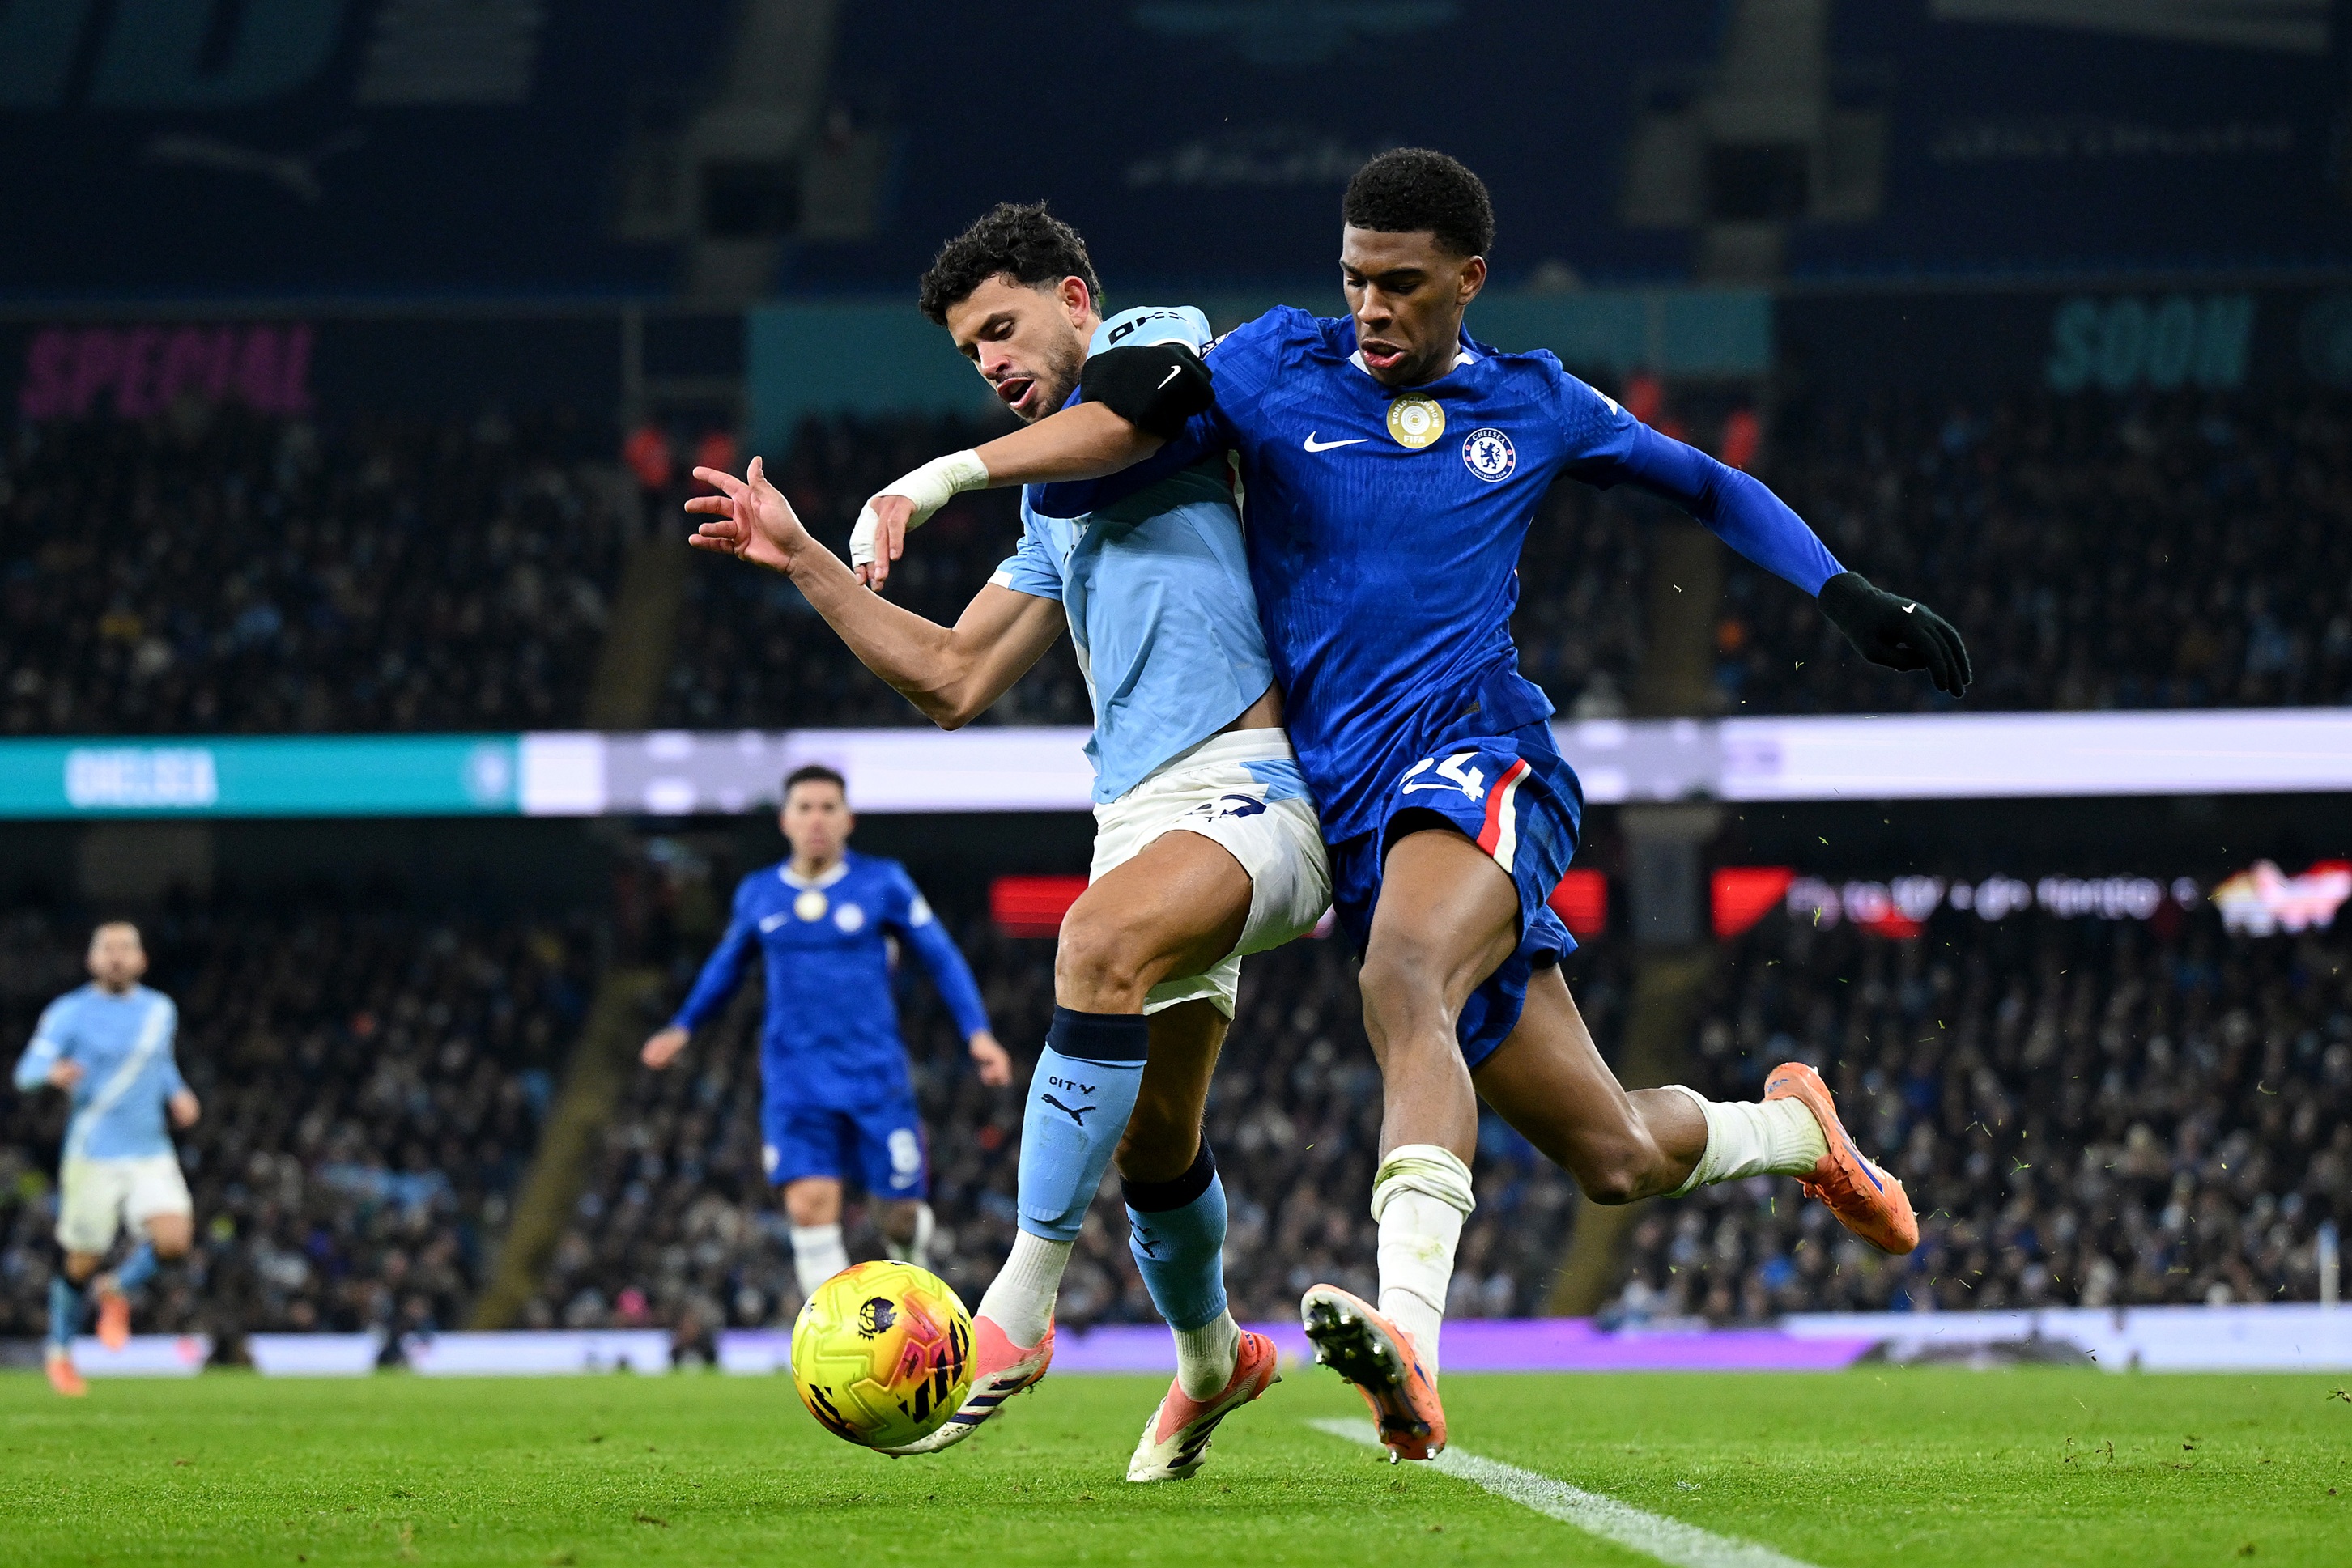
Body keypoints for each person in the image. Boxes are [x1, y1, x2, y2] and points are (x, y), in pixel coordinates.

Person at [840, 150, 1970, 1460]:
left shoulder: (1536, 404)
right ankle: (1793, 1128)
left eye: (1401, 285)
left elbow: (1704, 482)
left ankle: (1414, 1352)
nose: (1371, 307)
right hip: (1358, 813)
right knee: (1612, 1149)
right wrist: (945, 479)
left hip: (1482, 753)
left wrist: (1844, 592)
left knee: (1405, 975)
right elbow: (1124, 435)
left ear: (1467, 281)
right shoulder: (1277, 367)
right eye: (1354, 277)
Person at [684, 202, 1329, 1481]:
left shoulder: (1158, 352)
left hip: (1262, 785)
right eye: (967, 350)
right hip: (1139, 815)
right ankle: (1214, 1363)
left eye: (1001, 326)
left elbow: (1128, 416)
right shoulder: (1056, 509)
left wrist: (928, 479)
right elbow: (952, 678)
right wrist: (810, 558)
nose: (985, 360)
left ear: (1076, 298)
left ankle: (1017, 1314)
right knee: (1156, 1143)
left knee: (1090, 946)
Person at [641, 765, 1009, 1315]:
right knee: (810, 1206)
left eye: (827, 807)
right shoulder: (760, 893)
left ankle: (912, 1258)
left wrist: (977, 1033)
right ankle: (841, 1339)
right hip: (796, 1079)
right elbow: (725, 967)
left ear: (848, 819)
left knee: (897, 1216)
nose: (816, 819)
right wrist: (683, 1025)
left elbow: (940, 955)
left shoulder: (882, 882)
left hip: (874, 1075)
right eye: (805, 807)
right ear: (786, 819)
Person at [12, 922, 201, 1398]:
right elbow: (25, 1071)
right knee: (80, 1261)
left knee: (175, 1238)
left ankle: (115, 1287)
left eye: (126, 948)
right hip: (93, 1154)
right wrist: (52, 1072)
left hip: (150, 1149)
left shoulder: (161, 1010)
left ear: (142, 960)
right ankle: (59, 1354)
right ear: (92, 959)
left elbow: (158, 1065)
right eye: (107, 949)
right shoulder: (69, 1012)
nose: (116, 956)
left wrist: (178, 1093)